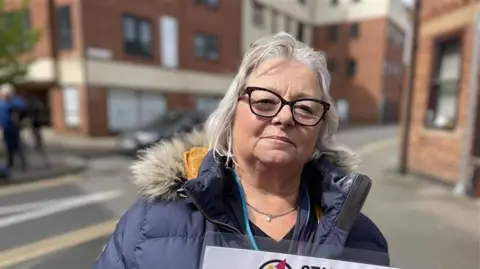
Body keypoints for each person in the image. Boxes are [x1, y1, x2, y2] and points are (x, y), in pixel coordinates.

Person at [94, 32, 389, 269]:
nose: (285, 117)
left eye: (305, 108)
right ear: (231, 116)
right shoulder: (149, 224)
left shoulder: (364, 240)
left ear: (321, 129)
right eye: (264, 102)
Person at [0, 83, 27, 172]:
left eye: (3, 94)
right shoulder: (2, 103)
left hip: (13, 128)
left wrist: (10, 102)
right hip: (5, 128)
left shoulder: (14, 101)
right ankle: (10, 164)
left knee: (17, 147)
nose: (2, 96)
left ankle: (23, 165)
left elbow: (22, 107)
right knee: (8, 148)